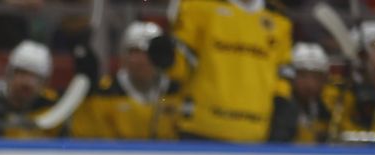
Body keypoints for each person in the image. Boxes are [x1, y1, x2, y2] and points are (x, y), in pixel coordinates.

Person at [147, 0, 295, 142]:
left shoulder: (279, 19)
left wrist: (281, 111)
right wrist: (168, 58)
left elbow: (282, 77)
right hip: (201, 129)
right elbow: (180, 67)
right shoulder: (199, 6)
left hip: (255, 133)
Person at [71, 21, 180, 141]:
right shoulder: (103, 93)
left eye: (149, 52)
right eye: (135, 52)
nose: (141, 60)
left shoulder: (178, 92)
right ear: (124, 56)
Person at [0, 41, 65, 139]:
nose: (27, 82)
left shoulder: (52, 108)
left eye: (35, 77)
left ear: (45, 82)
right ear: (9, 74)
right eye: (22, 73)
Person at [289, 43, 334, 144]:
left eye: (316, 77)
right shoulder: (280, 110)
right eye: (303, 75)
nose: (310, 84)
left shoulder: (327, 110)